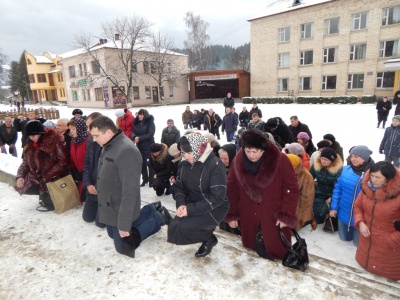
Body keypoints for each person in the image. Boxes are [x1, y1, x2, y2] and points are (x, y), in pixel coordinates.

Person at [90, 116, 171, 258]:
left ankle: (158, 217)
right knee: (111, 233)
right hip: (110, 203)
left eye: (96, 136)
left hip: (119, 204)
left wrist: (124, 225)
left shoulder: (126, 151)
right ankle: (152, 209)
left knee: (123, 247)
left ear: (108, 132)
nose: (94, 140)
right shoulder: (108, 144)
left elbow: (130, 192)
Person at [225, 129, 299, 260]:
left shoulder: (280, 160)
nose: (251, 155)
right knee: (252, 251)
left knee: (276, 250)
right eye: (248, 151)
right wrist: (232, 214)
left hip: (273, 213)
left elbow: (291, 188)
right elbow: (232, 188)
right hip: (248, 212)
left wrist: (286, 215)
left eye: (255, 152)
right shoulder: (238, 160)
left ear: (263, 150)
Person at [167, 134, 229, 258]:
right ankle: (208, 235)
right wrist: (181, 204)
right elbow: (179, 187)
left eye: (188, 152)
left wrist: (189, 210)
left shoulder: (214, 164)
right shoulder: (184, 163)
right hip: (193, 203)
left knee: (183, 227)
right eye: (183, 153)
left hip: (215, 207)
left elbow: (217, 197)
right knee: (174, 229)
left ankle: (208, 238)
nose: (185, 156)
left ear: (198, 149)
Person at [354, 161, 400, 281]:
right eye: (372, 175)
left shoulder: (398, 195)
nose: (373, 180)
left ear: (388, 178)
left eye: (378, 177)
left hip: (389, 247)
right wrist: (361, 222)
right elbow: (358, 206)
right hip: (366, 240)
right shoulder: (367, 188)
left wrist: (392, 240)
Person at [15, 120, 69, 210]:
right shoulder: (30, 143)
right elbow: (25, 162)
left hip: (55, 176)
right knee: (23, 186)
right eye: (29, 136)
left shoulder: (55, 141)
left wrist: (46, 176)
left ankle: (48, 194)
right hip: (39, 175)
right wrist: (20, 176)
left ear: (41, 133)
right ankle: (44, 193)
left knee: (53, 203)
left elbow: (63, 162)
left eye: (33, 136)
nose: (31, 138)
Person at [330, 146, 374, 246]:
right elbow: (337, 189)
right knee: (344, 239)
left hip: (361, 218)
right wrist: (334, 207)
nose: (352, 159)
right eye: (351, 156)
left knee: (357, 244)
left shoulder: (373, 173)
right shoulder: (345, 170)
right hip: (343, 213)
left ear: (365, 158)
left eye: (356, 156)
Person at [82, 112, 105, 228]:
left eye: (89, 127)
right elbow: (86, 164)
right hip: (92, 187)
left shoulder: (110, 143)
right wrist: (88, 184)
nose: (87, 130)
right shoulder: (91, 141)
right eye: (87, 127)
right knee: (87, 218)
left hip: (105, 190)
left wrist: (97, 186)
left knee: (100, 224)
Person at [309, 148, 343, 224]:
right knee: (316, 213)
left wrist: (332, 197)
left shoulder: (339, 169)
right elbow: (309, 178)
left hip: (332, 193)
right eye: (322, 158)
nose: (323, 161)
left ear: (332, 160)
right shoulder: (316, 166)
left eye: (326, 160)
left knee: (323, 214)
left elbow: (340, 186)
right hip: (319, 191)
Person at [286, 154, 315, 231]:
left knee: (290, 230)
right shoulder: (279, 170)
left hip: (297, 205)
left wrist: (303, 218)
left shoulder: (306, 176)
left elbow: (307, 199)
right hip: (280, 203)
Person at [132, 109, 155, 187]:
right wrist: (134, 137)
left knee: (149, 163)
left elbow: (150, 134)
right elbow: (133, 131)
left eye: (142, 115)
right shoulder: (136, 122)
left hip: (148, 145)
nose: (141, 116)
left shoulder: (150, 123)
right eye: (139, 114)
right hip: (139, 146)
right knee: (141, 163)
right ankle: (145, 179)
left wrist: (140, 138)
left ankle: (151, 180)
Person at [68, 117, 90, 203]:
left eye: (73, 129)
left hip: (88, 174)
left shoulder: (89, 141)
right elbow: (72, 157)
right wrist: (74, 169)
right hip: (80, 173)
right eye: (70, 129)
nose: (71, 131)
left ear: (81, 128)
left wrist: (85, 172)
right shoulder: (73, 141)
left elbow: (91, 159)